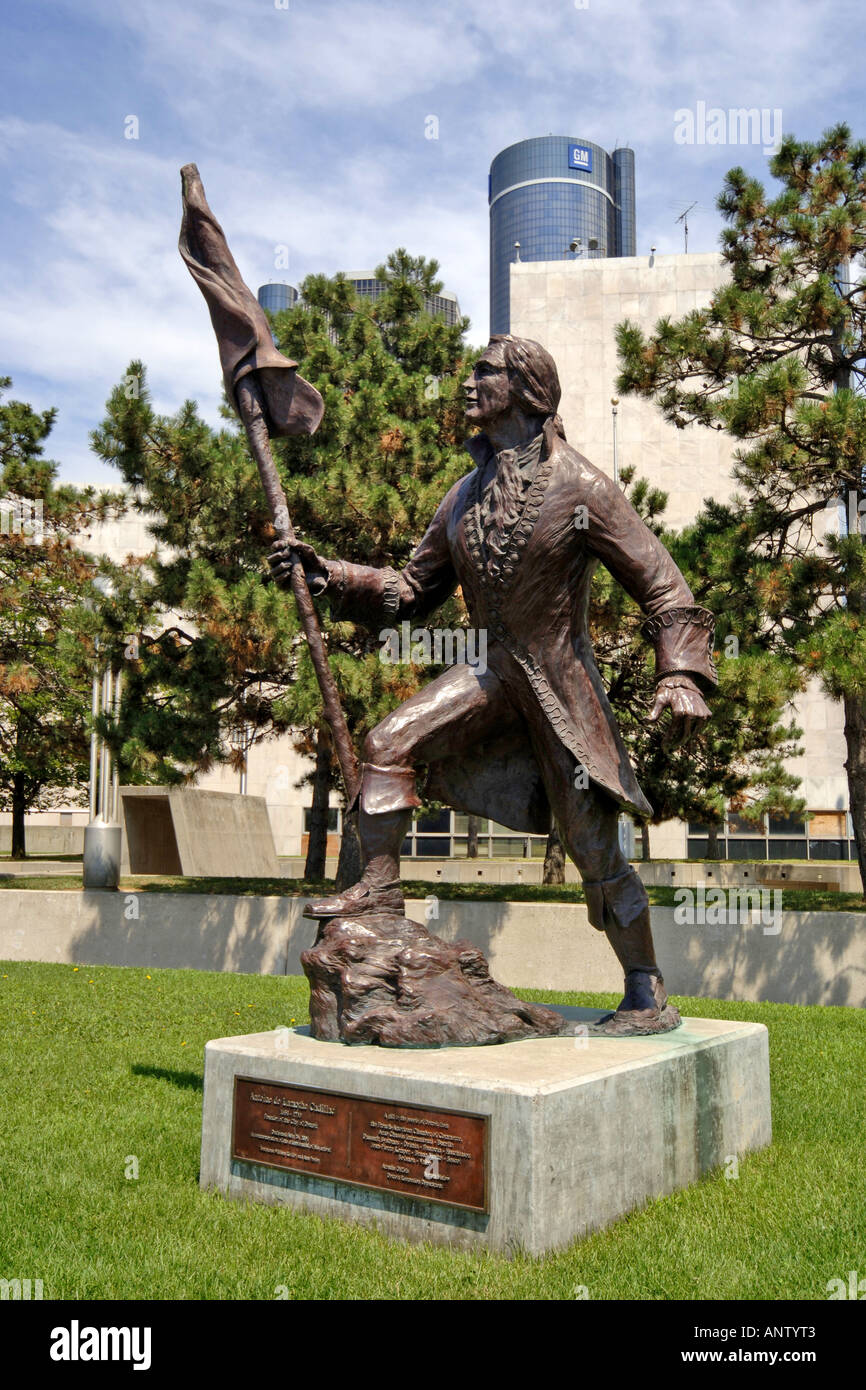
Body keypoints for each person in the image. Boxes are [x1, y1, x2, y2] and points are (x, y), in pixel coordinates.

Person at [269, 335, 715, 1035]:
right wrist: (331, 574)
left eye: (486, 371)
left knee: (592, 849)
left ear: (528, 389)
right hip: (489, 673)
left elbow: (661, 583)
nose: (469, 381)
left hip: (560, 693)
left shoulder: (581, 486)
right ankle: (380, 890)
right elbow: (412, 590)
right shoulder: (464, 496)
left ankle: (645, 989)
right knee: (388, 740)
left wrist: (682, 673)